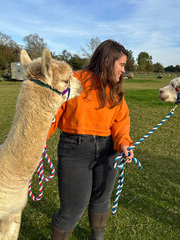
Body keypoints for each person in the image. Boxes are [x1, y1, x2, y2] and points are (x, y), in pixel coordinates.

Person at [48, 39, 134, 240]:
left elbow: (120, 123)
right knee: (72, 210)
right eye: (121, 65)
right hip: (74, 150)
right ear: (107, 61)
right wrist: (37, 143)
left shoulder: (115, 89)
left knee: (102, 200)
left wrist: (124, 144)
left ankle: (97, 236)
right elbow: (51, 115)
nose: (124, 70)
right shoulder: (72, 81)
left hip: (108, 151)